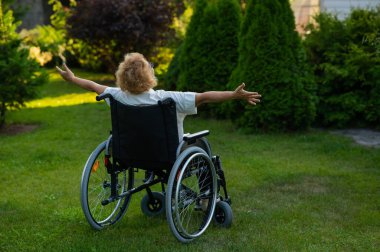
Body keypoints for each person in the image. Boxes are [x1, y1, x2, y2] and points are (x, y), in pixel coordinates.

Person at [56, 52, 261, 139]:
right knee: (200, 144)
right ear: (148, 75)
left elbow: (93, 86)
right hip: (168, 153)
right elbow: (205, 96)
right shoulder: (168, 99)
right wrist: (234, 95)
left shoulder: (116, 96)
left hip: (133, 153)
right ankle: (206, 195)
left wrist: (73, 79)